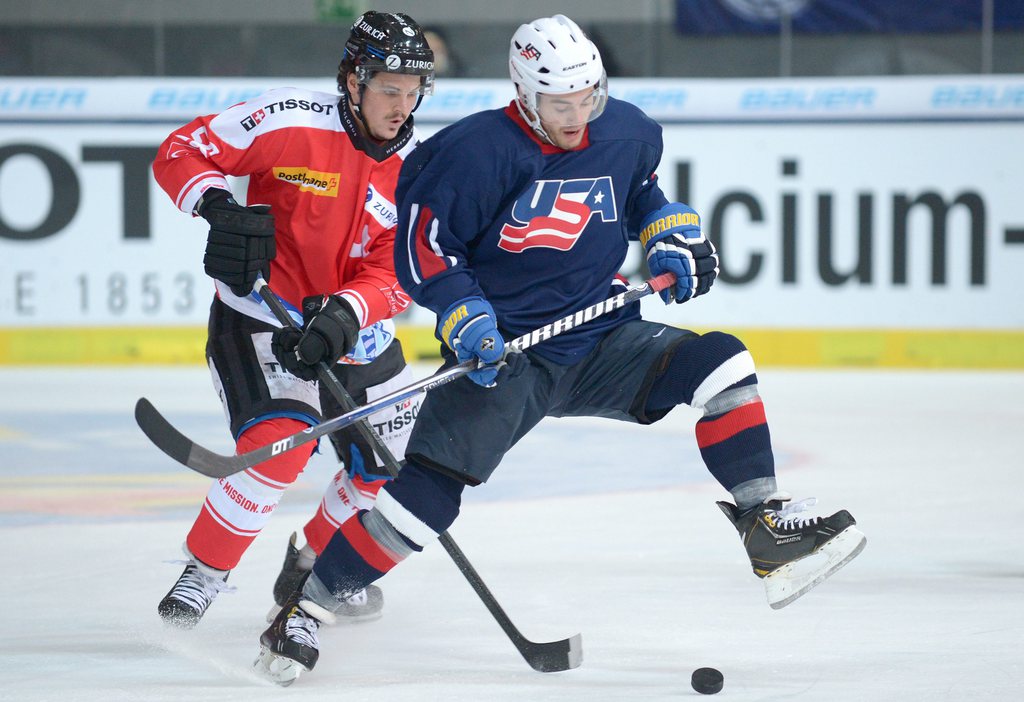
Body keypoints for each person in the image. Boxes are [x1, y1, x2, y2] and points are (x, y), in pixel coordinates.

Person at [253, 14, 866, 684]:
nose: (577, 116)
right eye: (559, 103)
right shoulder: (474, 153)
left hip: (601, 341)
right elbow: (424, 250)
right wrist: (464, 315)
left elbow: (641, 196)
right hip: (504, 357)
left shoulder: (626, 129)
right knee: (422, 501)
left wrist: (672, 235)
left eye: (587, 99)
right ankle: (305, 607)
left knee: (722, 362)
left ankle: (765, 527)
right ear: (523, 93)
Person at [150, 11, 436, 629]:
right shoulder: (286, 120)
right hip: (262, 318)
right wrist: (218, 205)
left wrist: (349, 311)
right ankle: (205, 572)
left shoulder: (423, 166)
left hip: (357, 334)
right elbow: (180, 151)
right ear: (352, 81)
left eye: (414, 92)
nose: (402, 106)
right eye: (390, 88)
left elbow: (402, 270)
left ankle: (311, 562)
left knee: (397, 469)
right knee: (277, 448)